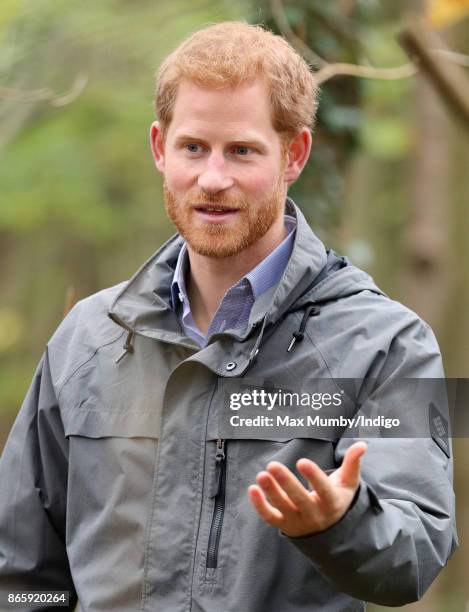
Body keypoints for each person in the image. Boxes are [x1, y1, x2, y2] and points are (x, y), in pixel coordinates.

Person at [0, 21, 457, 612]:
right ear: (160, 148)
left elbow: (418, 551)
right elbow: (20, 573)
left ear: (294, 154)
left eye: (241, 150)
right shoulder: (86, 337)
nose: (213, 179)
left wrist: (340, 523)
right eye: (194, 148)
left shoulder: (393, 343)